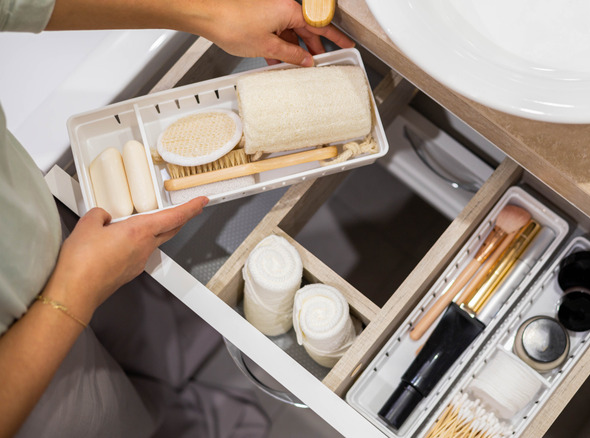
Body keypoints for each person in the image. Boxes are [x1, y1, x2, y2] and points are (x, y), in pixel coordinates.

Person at [0, 0, 354, 437]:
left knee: (142, 333)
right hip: (24, 377)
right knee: (118, 419)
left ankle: (178, 386)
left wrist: (206, 13)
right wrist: (77, 290)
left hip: (50, 240)